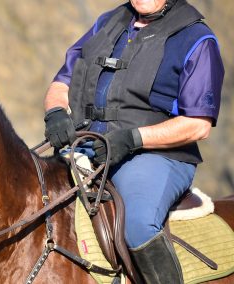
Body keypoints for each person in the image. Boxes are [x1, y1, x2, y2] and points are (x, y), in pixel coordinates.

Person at [43, 0, 224, 283]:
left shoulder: (197, 39)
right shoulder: (107, 23)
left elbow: (198, 125)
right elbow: (63, 80)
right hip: (87, 144)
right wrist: (55, 111)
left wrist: (132, 138)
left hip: (155, 155)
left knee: (138, 225)